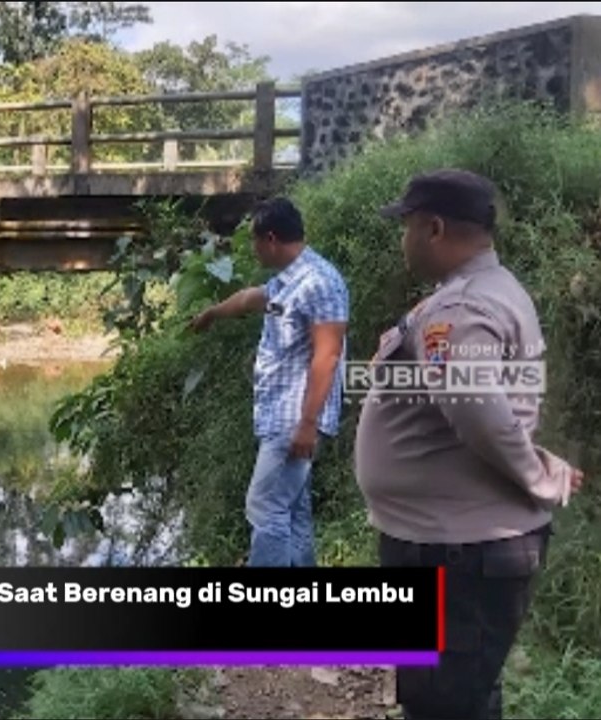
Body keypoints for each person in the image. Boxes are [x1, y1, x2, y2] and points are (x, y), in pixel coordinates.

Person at [356, 169, 585, 719]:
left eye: (407, 226)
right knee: (465, 697)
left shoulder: (460, 310)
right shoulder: (478, 295)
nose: (403, 239)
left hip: (456, 553)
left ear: (433, 228)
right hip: (459, 547)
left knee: (443, 705)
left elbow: (479, 411)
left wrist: (539, 475)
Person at [190, 197, 349, 567]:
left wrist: (308, 425)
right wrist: (212, 314)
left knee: (265, 507)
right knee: (293, 510)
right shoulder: (287, 281)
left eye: (254, 241)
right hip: (280, 417)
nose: (252, 249)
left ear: (272, 239)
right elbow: (249, 299)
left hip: (295, 419)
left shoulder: (320, 283)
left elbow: (328, 355)